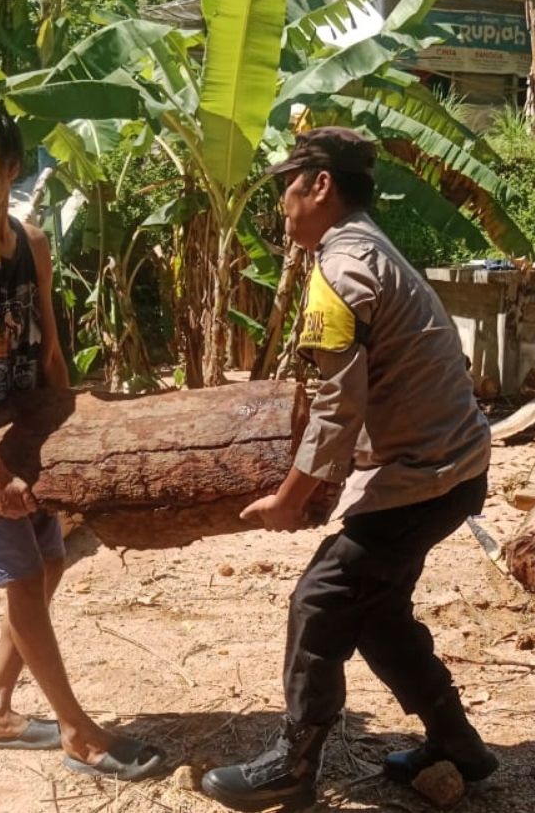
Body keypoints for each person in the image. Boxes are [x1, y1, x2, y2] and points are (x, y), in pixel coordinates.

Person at [201, 126, 497, 811]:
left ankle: (293, 766)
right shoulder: (369, 249)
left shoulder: (343, 268)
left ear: (321, 186)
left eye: (288, 190)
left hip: (423, 473)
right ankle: (457, 743)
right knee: (378, 608)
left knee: (321, 600)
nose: (282, 207)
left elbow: (338, 409)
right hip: (454, 465)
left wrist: (288, 497)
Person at [0, 105, 163, 782]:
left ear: (12, 167)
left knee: (48, 564)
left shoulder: (31, 241)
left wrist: (70, 431)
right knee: (23, 575)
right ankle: (79, 733)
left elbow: (50, 343)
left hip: (28, 428)